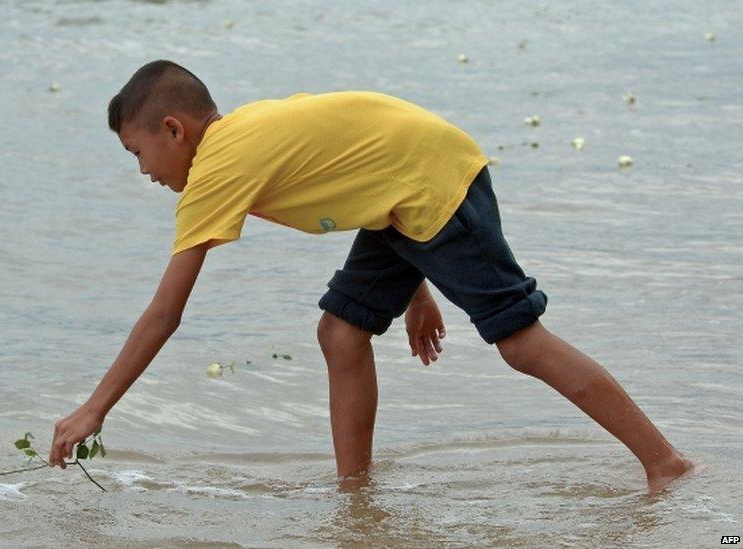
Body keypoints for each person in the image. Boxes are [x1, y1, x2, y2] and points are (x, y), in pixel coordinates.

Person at [48, 59, 694, 493]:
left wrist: (93, 408)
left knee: (520, 340)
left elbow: (166, 312)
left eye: (138, 153)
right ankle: (354, 490)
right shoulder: (235, 142)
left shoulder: (217, 168)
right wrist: (417, 286)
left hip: (433, 183)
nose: (143, 172)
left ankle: (665, 463)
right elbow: (360, 168)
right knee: (342, 330)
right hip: (404, 189)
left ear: (173, 129)